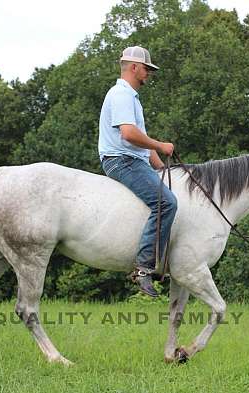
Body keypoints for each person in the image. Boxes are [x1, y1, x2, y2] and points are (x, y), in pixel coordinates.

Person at [98, 46, 177, 297]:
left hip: (134, 159)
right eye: (146, 69)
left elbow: (140, 144)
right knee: (166, 203)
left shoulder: (131, 97)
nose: (149, 74)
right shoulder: (121, 94)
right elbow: (129, 135)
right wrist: (161, 145)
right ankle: (143, 268)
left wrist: (162, 168)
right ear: (133, 67)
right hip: (122, 161)